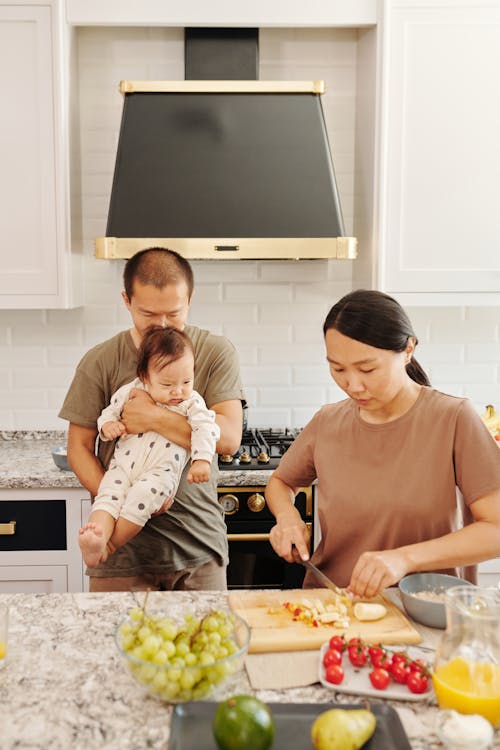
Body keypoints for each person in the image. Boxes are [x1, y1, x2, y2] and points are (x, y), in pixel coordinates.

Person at [265, 289, 500, 598]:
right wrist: (287, 517)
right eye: (337, 369)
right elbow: (281, 481)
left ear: (408, 350)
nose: (352, 384)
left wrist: (405, 558)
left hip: (425, 610)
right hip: (334, 607)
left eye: (367, 369)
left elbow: (495, 529)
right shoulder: (327, 422)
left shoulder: (453, 418)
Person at [60, 247, 245, 591]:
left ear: (190, 300)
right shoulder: (100, 360)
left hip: (198, 547)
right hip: (120, 556)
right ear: (126, 301)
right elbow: (79, 448)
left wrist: (152, 417)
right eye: (148, 313)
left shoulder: (215, 351)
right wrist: (124, 502)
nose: (161, 325)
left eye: (173, 314)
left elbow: (229, 438)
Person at [78, 325, 220, 568]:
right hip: (123, 467)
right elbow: (108, 412)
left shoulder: (191, 402)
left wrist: (202, 460)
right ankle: (96, 537)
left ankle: (112, 544)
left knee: (142, 496)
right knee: (108, 495)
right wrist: (108, 426)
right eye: (167, 384)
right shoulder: (131, 391)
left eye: (186, 381)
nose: (178, 391)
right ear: (145, 376)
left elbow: (206, 429)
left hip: (160, 473)